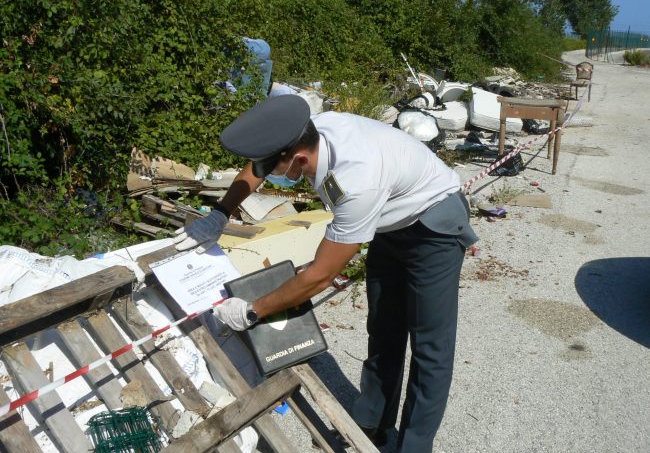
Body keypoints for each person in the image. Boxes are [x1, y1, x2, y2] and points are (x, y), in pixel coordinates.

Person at [173, 95, 477, 451]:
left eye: (275, 169)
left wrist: (253, 310)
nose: (269, 175)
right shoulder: (310, 132)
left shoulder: (358, 180)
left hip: (434, 229)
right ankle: (370, 424)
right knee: (384, 329)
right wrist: (220, 213)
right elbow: (258, 166)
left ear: (299, 160)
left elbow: (320, 275)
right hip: (390, 222)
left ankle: (413, 446)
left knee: (430, 347)